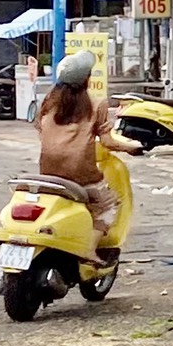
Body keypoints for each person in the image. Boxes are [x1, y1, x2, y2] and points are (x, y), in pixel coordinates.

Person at [33, 50, 139, 248]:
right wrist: (132, 147)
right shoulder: (96, 104)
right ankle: (90, 249)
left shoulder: (47, 103)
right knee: (109, 206)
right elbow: (108, 142)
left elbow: (41, 132)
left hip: (47, 174)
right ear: (87, 80)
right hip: (81, 177)